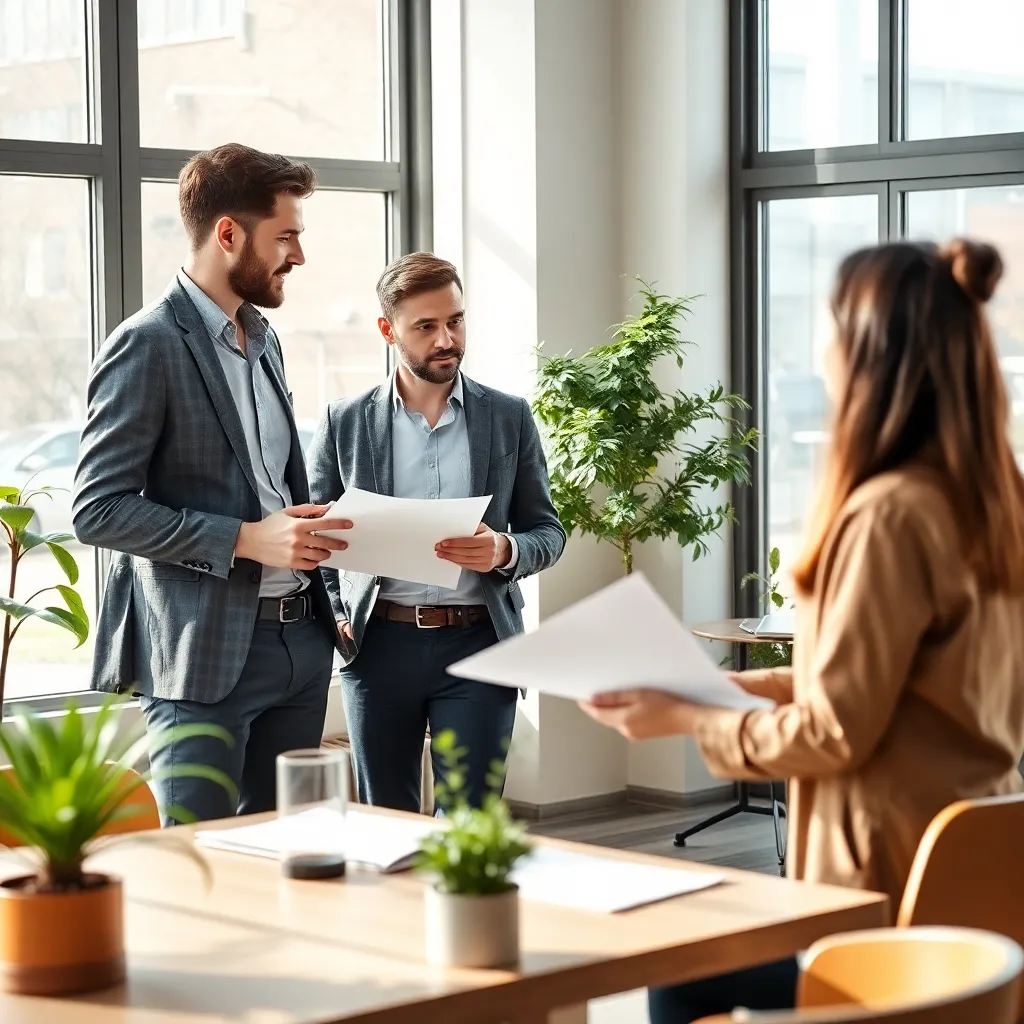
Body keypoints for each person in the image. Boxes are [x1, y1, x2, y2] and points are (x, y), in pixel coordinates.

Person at [579, 239, 1024, 1023]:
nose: (819, 349)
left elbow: (834, 731)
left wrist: (690, 719)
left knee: (680, 971)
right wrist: (720, 689)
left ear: (868, 352)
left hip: (879, 902)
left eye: (829, 325)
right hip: (970, 897)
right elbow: (885, 686)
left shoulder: (887, 516)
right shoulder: (993, 503)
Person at [73, 143, 350, 824]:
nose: (299, 256)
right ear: (228, 233)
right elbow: (98, 510)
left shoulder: (265, 338)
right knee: (197, 859)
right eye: (285, 236)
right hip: (203, 653)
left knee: (292, 851)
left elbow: (266, 486)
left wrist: (308, 529)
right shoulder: (147, 343)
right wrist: (247, 539)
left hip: (301, 642)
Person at [306, 252, 566, 812]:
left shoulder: (509, 417)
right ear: (388, 330)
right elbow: (313, 539)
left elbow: (548, 532)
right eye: (425, 326)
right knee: (385, 821)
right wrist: (338, 615)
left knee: (470, 822)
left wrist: (504, 549)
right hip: (377, 647)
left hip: (479, 644)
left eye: (456, 321)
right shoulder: (343, 422)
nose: (446, 339)